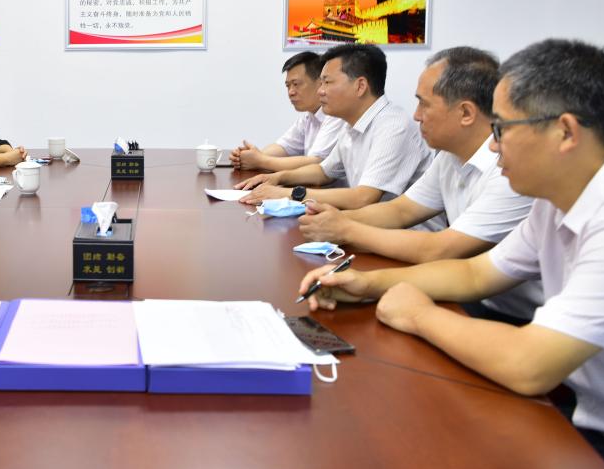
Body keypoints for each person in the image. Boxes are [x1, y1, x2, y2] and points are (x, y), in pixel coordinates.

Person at [299, 39, 604, 469]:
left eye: (503, 129)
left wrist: (418, 313)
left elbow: (529, 365)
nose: (493, 147)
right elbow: (478, 273)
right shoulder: (558, 198)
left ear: (566, 133)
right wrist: (367, 284)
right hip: (589, 413)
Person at [298, 47, 538, 320]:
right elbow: (401, 210)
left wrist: (346, 229)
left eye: (424, 104)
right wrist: (333, 222)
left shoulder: (510, 172)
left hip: (520, 315)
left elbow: (440, 249)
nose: (416, 115)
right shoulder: (449, 156)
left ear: (466, 113)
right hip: (469, 291)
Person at [236, 44, 433, 211]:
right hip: (364, 226)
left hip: (407, 237)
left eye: (327, 82)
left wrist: (288, 194)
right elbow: (324, 172)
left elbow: (363, 197)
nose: (320, 91)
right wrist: (277, 178)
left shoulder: (393, 126)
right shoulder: (352, 124)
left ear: (360, 86)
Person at [230, 51, 345, 171]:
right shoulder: (308, 119)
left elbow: (316, 162)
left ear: (320, 83)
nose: (291, 92)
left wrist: (260, 161)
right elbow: (283, 147)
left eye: (296, 84)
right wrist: (249, 156)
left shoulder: (336, 116)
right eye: (288, 86)